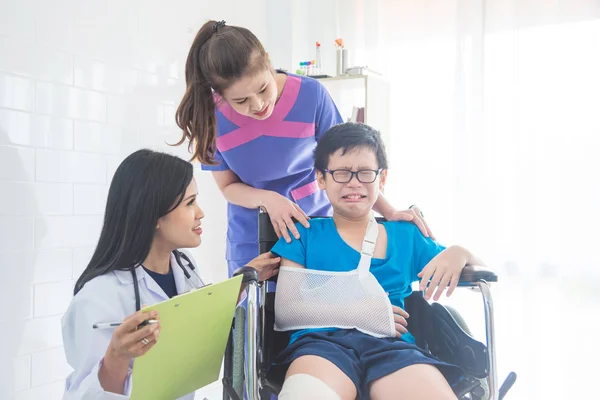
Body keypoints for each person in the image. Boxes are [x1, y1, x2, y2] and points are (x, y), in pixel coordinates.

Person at [175, 20, 432, 277]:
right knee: (257, 312)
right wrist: (269, 199)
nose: (258, 105)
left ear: (268, 61)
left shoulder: (312, 96)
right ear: (218, 94)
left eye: (263, 89)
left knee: (323, 309)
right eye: (240, 101)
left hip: (315, 229)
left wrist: (388, 211)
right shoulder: (210, 118)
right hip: (252, 239)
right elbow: (228, 187)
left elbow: (348, 164)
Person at [269, 123, 485, 400]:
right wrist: (359, 312)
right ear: (321, 179)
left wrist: (460, 252)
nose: (354, 182)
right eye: (341, 173)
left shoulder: (407, 236)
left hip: (393, 349)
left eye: (365, 173)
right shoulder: (301, 234)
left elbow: (482, 275)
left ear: (381, 179)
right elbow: (287, 311)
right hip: (320, 345)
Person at [61, 149, 279, 399]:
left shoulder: (183, 266)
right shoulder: (99, 298)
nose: (200, 213)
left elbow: (194, 321)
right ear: (154, 215)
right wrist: (117, 357)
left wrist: (244, 280)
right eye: (190, 203)